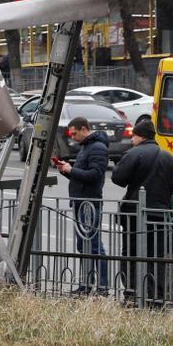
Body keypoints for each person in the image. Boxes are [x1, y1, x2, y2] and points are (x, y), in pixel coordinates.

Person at [111, 119, 173, 301]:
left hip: (134, 215)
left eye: (133, 135)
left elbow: (118, 178)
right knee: (156, 257)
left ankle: (132, 293)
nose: (132, 139)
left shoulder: (134, 154)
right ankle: (155, 296)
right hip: (160, 216)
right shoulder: (169, 158)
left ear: (140, 136)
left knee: (131, 253)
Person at [54, 116, 109, 295]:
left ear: (85, 129)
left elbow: (95, 175)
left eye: (75, 133)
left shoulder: (97, 148)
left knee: (94, 246)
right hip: (81, 203)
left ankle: (102, 287)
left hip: (90, 204)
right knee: (82, 245)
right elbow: (82, 175)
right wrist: (66, 171)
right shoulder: (86, 147)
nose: (72, 138)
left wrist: (72, 170)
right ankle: (86, 285)